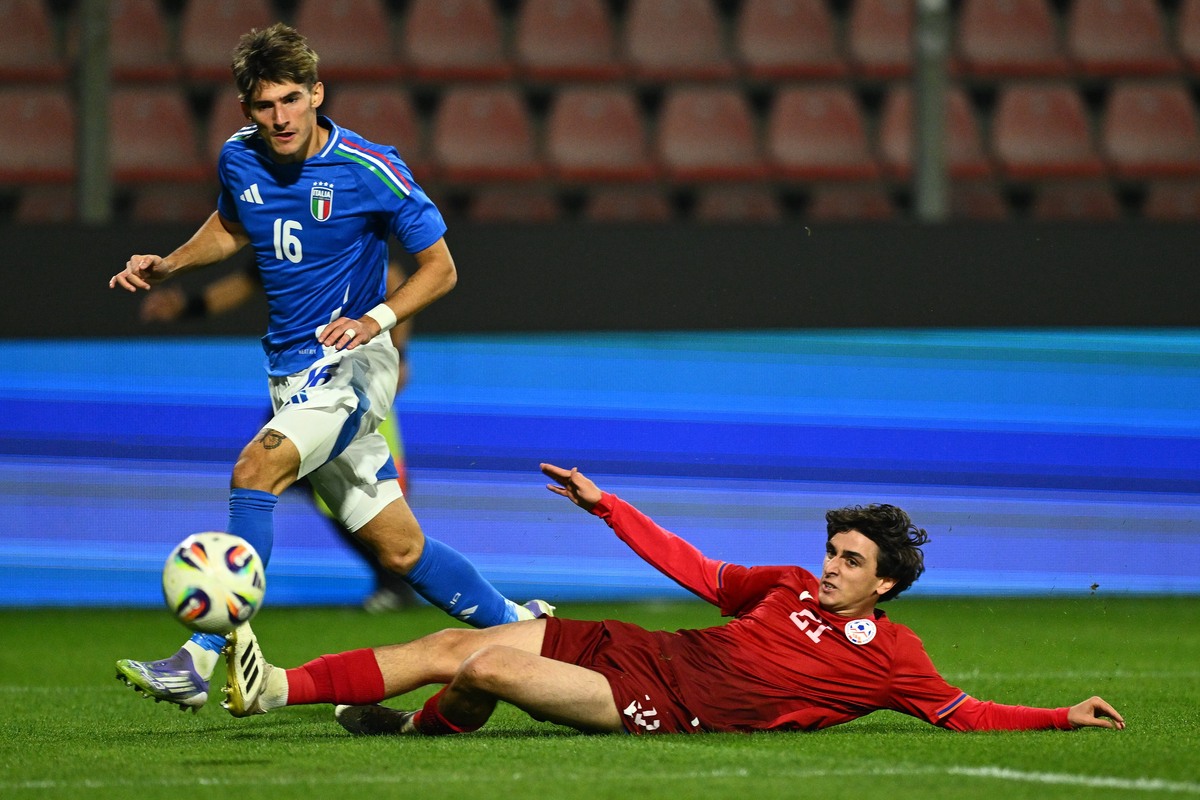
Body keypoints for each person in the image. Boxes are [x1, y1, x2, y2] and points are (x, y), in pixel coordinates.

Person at [108, 23, 551, 714]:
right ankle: (525, 629)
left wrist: (376, 322)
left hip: (354, 363)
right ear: (246, 110)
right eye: (264, 106)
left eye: (291, 99)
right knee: (401, 552)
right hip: (289, 374)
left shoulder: (371, 168)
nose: (280, 117)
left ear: (318, 94)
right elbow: (231, 226)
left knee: (256, 468)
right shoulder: (239, 160)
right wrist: (168, 262)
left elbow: (441, 268)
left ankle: (197, 660)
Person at [218, 463, 1125, 737]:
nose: (830, 566)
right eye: (832, 551)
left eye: (850, 560)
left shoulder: (894, 656)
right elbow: (696, 572)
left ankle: (422, 732)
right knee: (458, 639)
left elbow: (962, 715)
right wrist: (610, 507)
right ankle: (279, 688)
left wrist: (1060, 716)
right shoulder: (787, 586)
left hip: (666, 705)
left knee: (488, 663)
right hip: (645, 650)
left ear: (885, 582)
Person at [140, 260, 419, 613]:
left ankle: (400, 579)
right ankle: (236, 588)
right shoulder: (279, 235)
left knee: (364, 483)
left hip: (351, 378)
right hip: (299, 379)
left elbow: (392, 278)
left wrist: (400, 353)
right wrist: (188, 307)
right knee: (283, 476)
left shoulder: (338, 229)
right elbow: (243, 282)